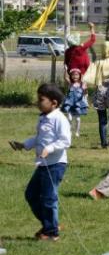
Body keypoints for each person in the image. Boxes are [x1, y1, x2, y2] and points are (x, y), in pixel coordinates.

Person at [8, 83, 71, 241]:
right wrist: (24, 145)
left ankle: (51, 233)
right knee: (31, 194)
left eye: (41, 99)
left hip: (56, 165)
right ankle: (50, 224)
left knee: (49, 198)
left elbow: (65, 141)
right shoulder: (43, 118)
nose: (38, 102)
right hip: (43, 165)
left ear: (54, 103)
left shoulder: (59, 119)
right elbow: (39, 138)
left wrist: (49, 148)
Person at [61, 68, 88, 138]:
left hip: (78, 104)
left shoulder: (82, 84)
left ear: (79, 76)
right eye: (73, 75)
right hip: (70, 104)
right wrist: (65, 69)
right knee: (69, 118)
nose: (75, 76)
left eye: (76, 75)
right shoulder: (70, 84)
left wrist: (85, 92)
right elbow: (65, 77)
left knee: (78, 119)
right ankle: (69, 131)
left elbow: (85, 92)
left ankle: (77, 131)